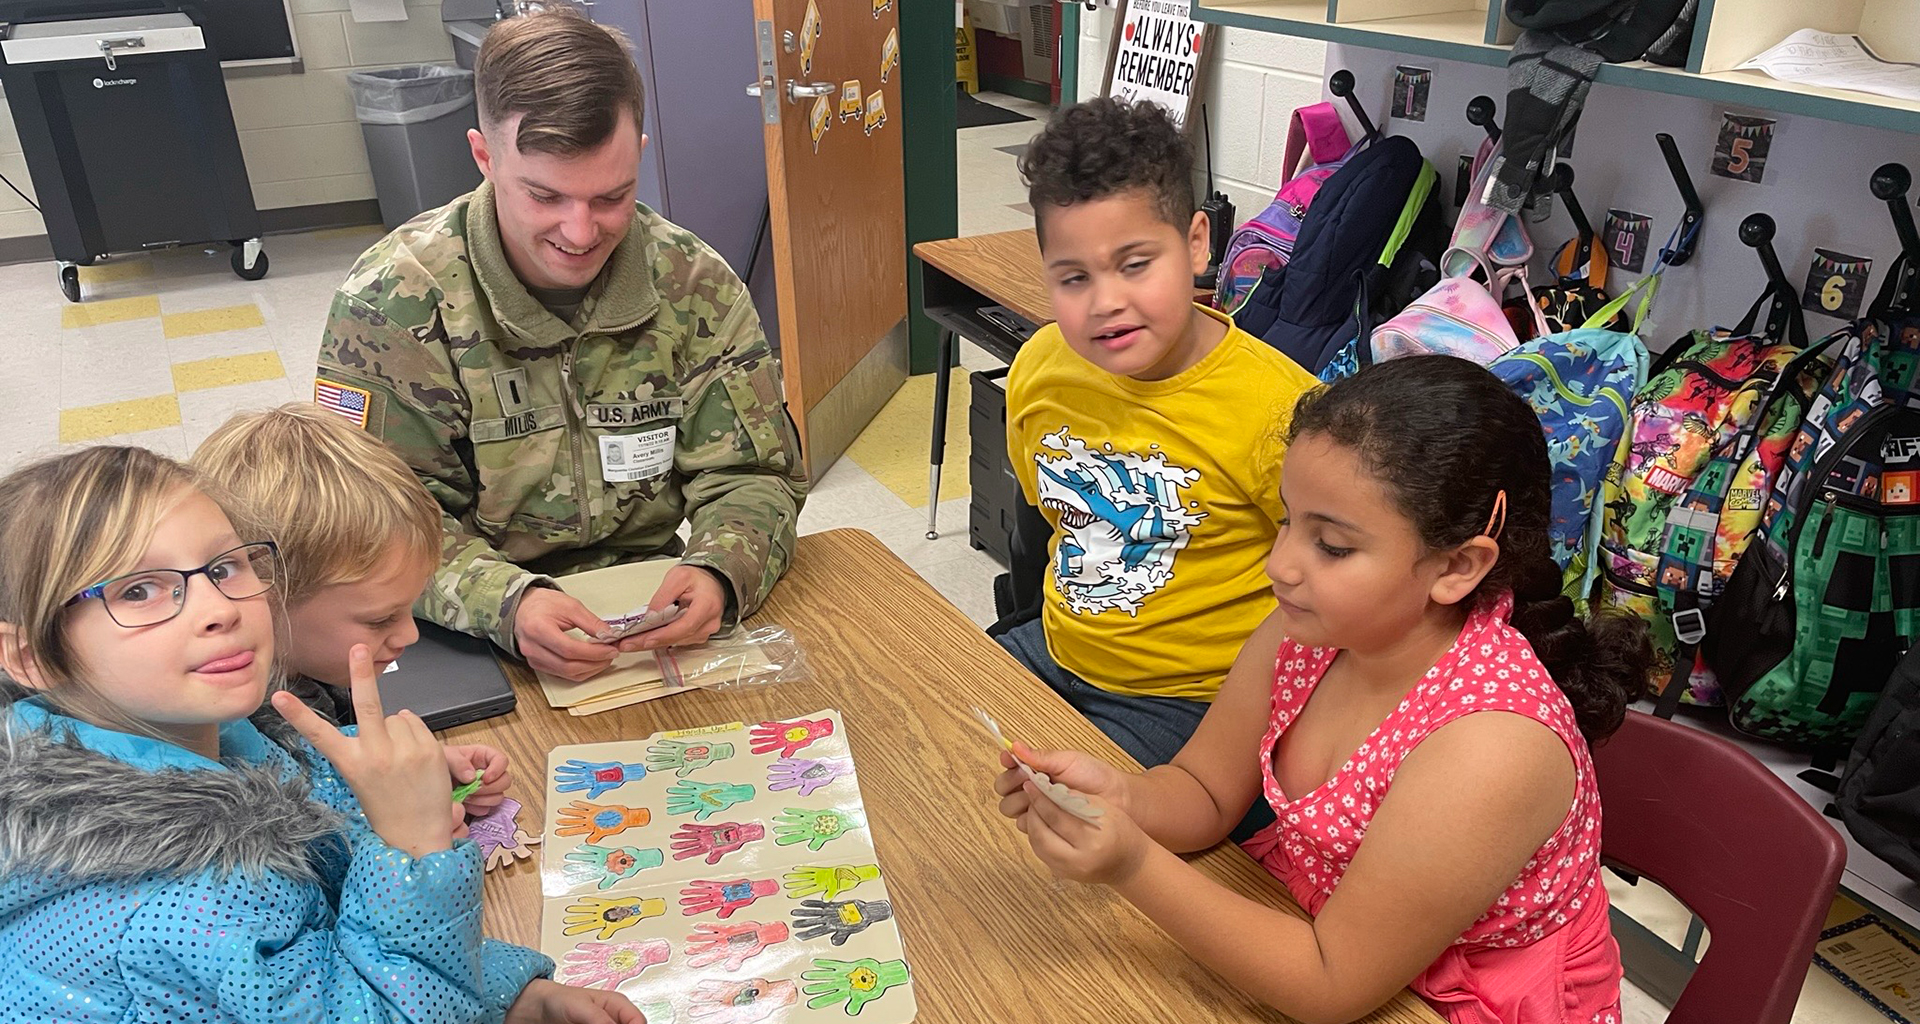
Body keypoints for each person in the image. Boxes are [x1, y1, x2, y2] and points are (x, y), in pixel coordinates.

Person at [993, 356, 1651, 1023]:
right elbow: (1206, 790)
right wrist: (1124, 796)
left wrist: (1132, 864)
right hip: (1321, 944)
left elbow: (1332, 985)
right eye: (1286, 520)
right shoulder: (1306, 634)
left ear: (1457, 567)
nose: (1279, 564)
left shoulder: (1493, 745)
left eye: (1331, 545)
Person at [0, 446, 642, 1023]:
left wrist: (510, 993)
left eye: (224, 568)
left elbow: (336, 932)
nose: (220, 608)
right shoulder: (170, 914)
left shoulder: (223, 734)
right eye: (139, 590)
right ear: (31, 658)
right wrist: (414, 844)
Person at [315, 6, 806, 683]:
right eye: (545, 197)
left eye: (612, 197)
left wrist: (722, 570)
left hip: (653, 617)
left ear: (639, 152)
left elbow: (753, 475)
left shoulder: (694, 283)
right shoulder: (391, 304)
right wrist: (508, 604)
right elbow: (371, 526)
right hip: (463, 629)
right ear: (484, 156)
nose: (581, 233)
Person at [999, 97, 1318, 774]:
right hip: (1056, 650)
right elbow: (1049, 517)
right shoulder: (1040, 367)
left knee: (1061, 837)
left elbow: (1328, 598)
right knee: (918, 746)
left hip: (1197, 702)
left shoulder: (1282, 411)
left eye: (1136, 263)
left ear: (1197, 241)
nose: (1106, 301)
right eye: (1074, 277)